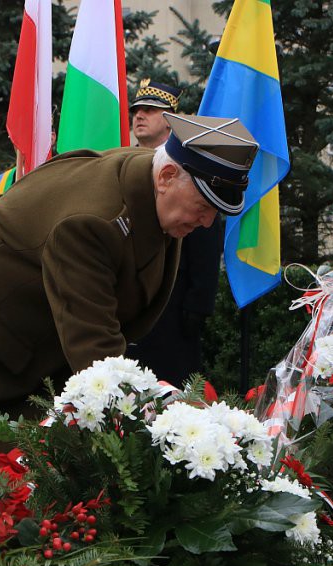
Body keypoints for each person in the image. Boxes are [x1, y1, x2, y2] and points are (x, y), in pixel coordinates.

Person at [0, 114, 259, 420]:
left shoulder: (155, 177)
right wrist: (163, 416)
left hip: (21, 337)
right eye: (203, 206)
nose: (207, 222)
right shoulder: (91, 222)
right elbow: (95, 351)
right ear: (168, 177)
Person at [127, 80, 225, 387]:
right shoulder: (122, 164)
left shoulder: (188, 163)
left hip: (173, 301)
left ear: (170, 120)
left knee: (169, 387)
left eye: (150, 110)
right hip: (129, 298)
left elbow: (205, 231)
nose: (139, 115)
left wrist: (198, 303)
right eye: (137, 110)